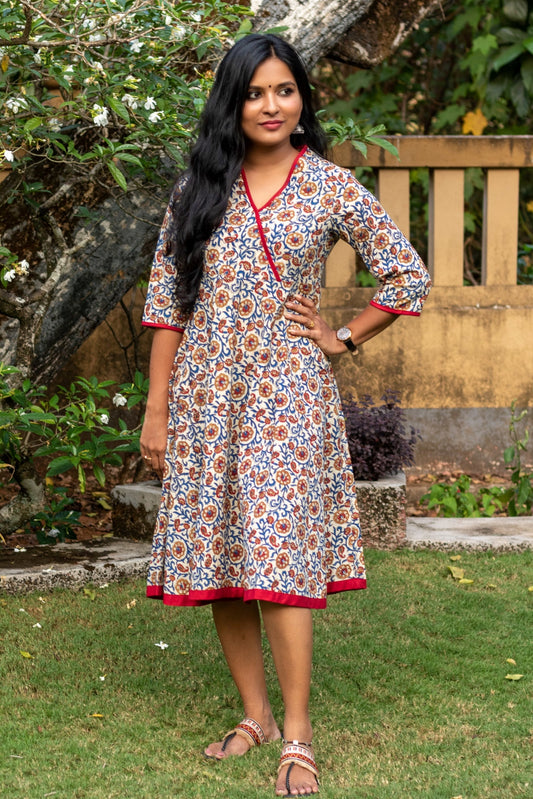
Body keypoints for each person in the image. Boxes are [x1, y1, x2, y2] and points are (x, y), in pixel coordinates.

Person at [139, 33, 430, 797]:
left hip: (286, 394)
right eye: (255, 92)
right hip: (206, 397)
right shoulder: (198, 188)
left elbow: (407, 274)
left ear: (302, 99)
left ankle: (297, 735)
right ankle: (255, 715)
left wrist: (339, 336)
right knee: (223, 562)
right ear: (232, 102)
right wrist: (156, 408)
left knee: (275, 561)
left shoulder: (328, 186)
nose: (271, 105)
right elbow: (166, 301)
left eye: (285, 90)